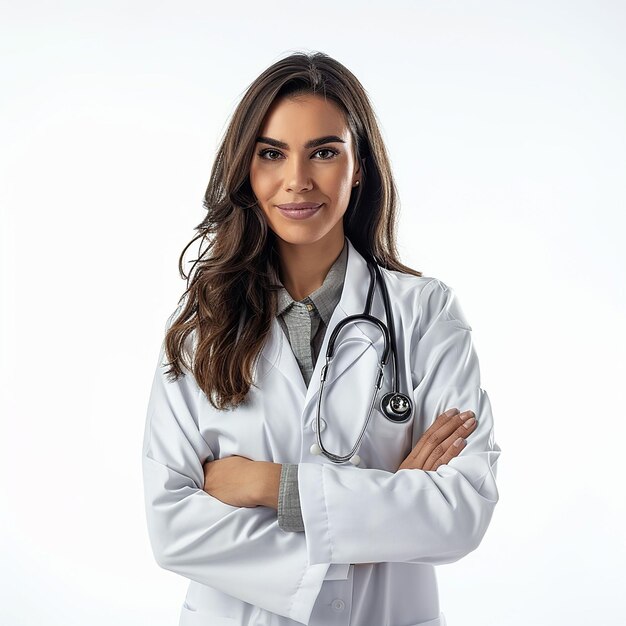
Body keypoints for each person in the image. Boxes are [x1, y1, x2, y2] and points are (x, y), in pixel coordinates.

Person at [141, 51, 501, 626]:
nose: (297, 181)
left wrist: (269, 485)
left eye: (325, 152)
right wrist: (384, 507)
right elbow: (173, 529)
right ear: (247, 168)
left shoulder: (425, 313)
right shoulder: (200, 327)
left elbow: (461, 511)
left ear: (359, 167)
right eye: (271, 153)